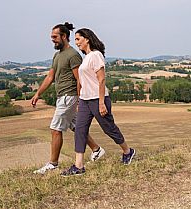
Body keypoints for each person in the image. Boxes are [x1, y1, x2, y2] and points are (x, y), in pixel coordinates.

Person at [31, 23, 106, 174]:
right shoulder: (58, 55)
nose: (52, 40)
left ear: (64, 36)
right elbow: (51, 76)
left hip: (69, 96)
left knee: (55, 129)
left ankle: (53, 163)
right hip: (62, 97)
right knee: (76, 127)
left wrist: (80, 99)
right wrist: (38, 93)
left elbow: (80, 79)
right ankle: (96, 150)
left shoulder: (73, 55)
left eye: (55, 37)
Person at [60, 28, 136, 176]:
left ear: (87, 39)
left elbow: (101, 79)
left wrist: (101, 102)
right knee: (80, 130)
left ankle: (128, 151)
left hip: (98, 99)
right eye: (75, 40)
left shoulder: (96, 55)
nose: (76, 43)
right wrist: (79, 99)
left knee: (109, 128)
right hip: (85, 100)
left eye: (78, 39)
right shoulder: (86, 58)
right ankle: (79, 166)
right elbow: (82, 81)